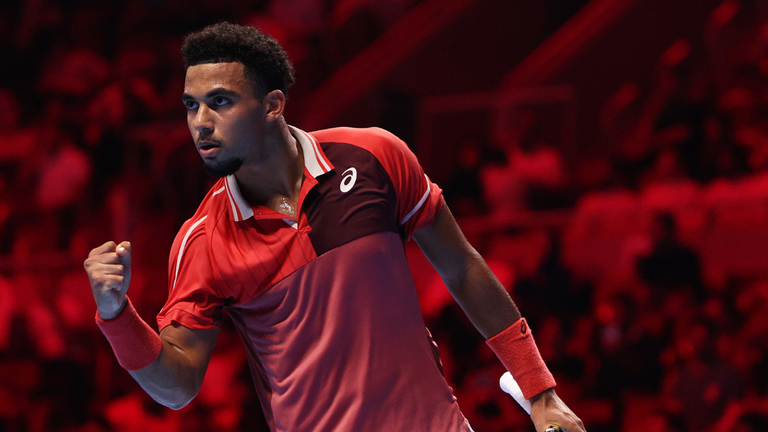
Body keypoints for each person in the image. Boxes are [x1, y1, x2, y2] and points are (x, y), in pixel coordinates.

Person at [83, 22, 585, 432]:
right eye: (192, 106)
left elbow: (463, 269)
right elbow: (178, 388)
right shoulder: (203, 239)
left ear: (273, 104)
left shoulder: (374, 156)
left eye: (221, 101)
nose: (200, 123)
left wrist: (541, 392)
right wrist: (116, 314)